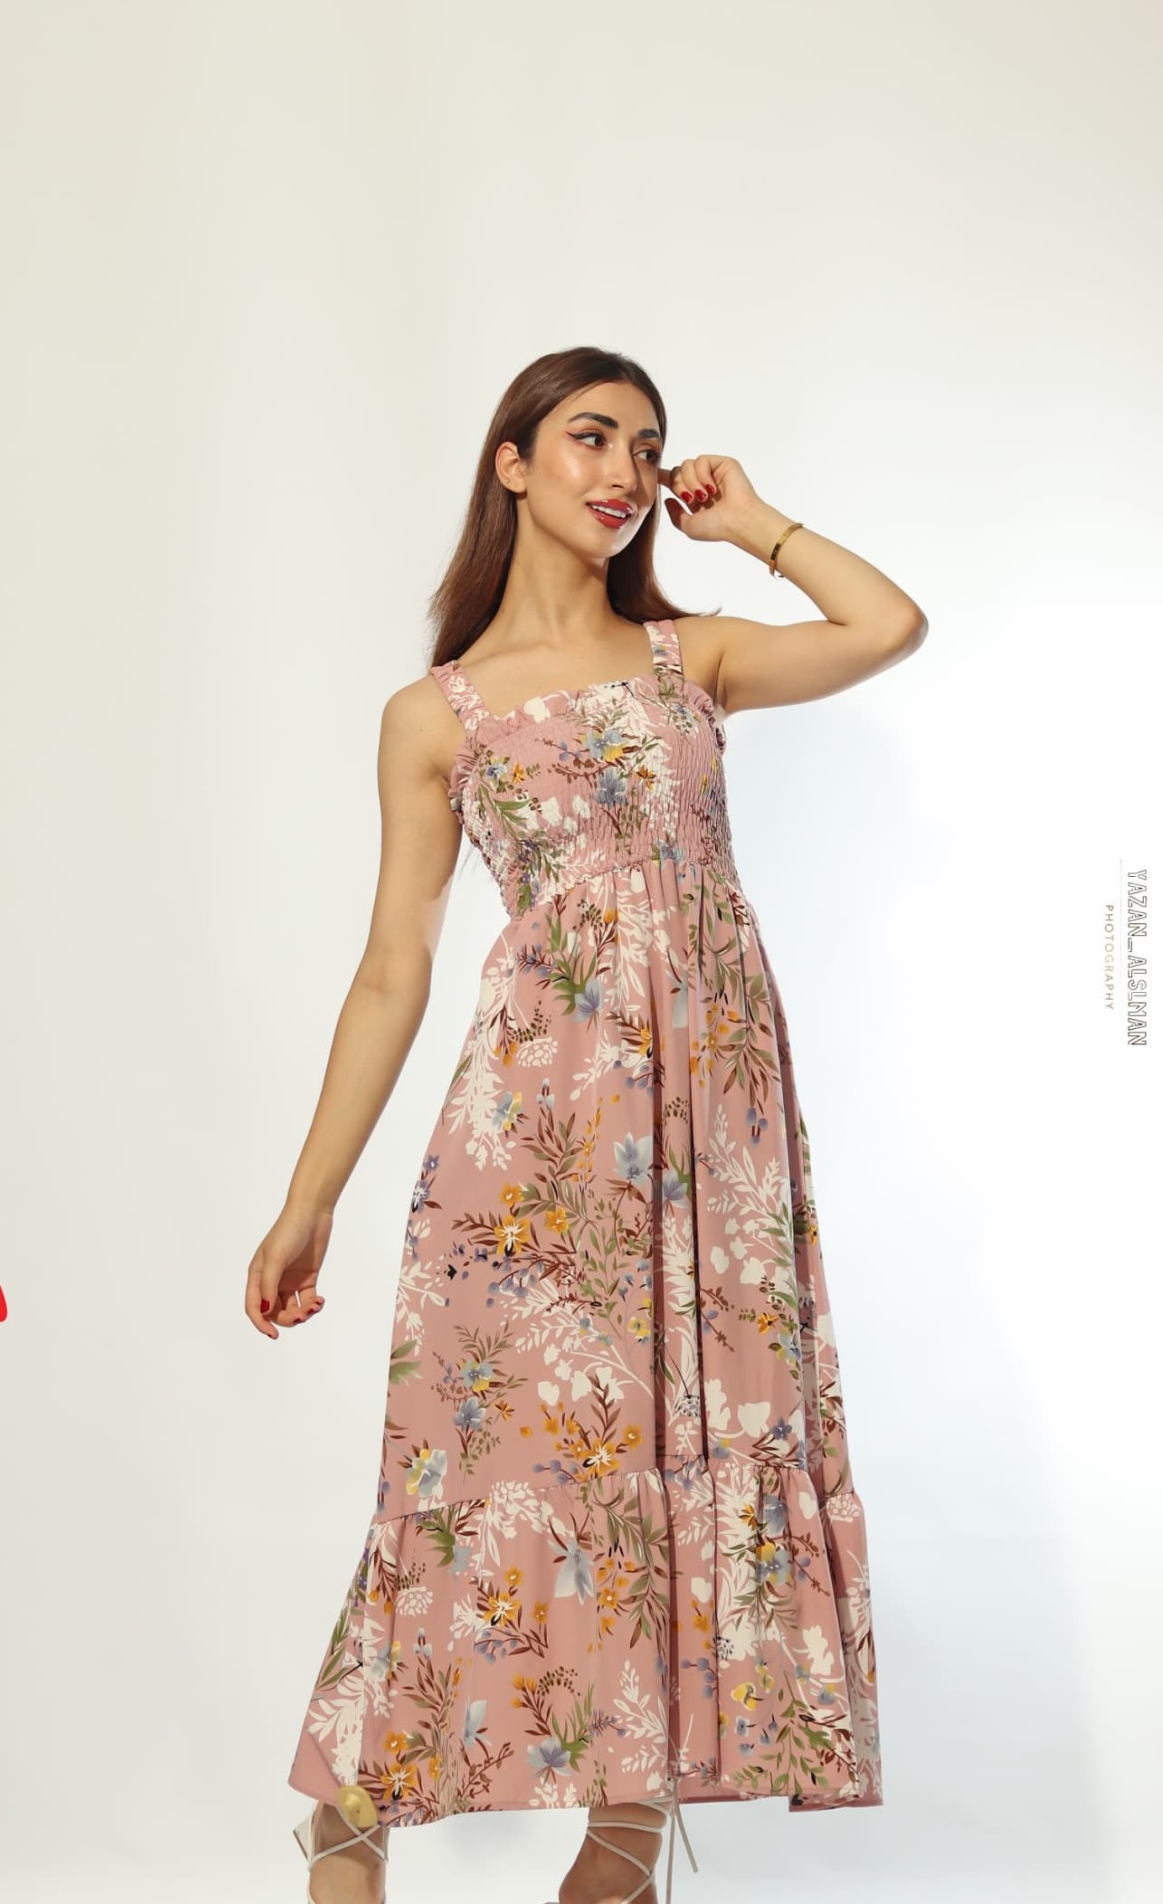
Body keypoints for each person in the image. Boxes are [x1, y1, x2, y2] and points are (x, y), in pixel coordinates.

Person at [246, 345, 926, 1904]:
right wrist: (311, 1198)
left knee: (690, 1451)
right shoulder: (436, 714)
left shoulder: (690, 658)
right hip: (535, 1138)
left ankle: (618, 1852)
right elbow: (393, 967)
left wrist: (752, 522)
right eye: (589, 437)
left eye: (645, 445)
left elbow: (886, 625)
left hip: (715, 1142)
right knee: (491, 1473)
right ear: (513, 461)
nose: (623, 470)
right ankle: (347, 1831)